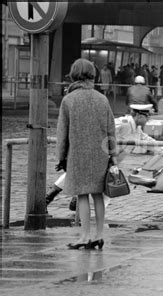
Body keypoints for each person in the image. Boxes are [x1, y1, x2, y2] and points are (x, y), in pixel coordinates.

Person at [45, 104, 163, 212]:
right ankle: (50, 200)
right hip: (98, 157)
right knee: (76, 176)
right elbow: (100, 130)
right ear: (138, 115)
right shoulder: (123, 123)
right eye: (147, 117)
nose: (148, 120)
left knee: (106, 187)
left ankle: (79, 206)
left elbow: (147, 140)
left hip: (109, 162)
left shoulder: (137, 129)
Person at [56, 58, 119, 250]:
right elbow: (111, 130)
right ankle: (99, 235)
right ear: (92, 75)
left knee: (82, 194)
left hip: (77, 154)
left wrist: (61, 157)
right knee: (98, 195)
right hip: (100, 154)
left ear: (74, 75)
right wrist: (113, 155)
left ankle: (84, 236)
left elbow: (62, 133)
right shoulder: (102, 99)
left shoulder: (68, 100)